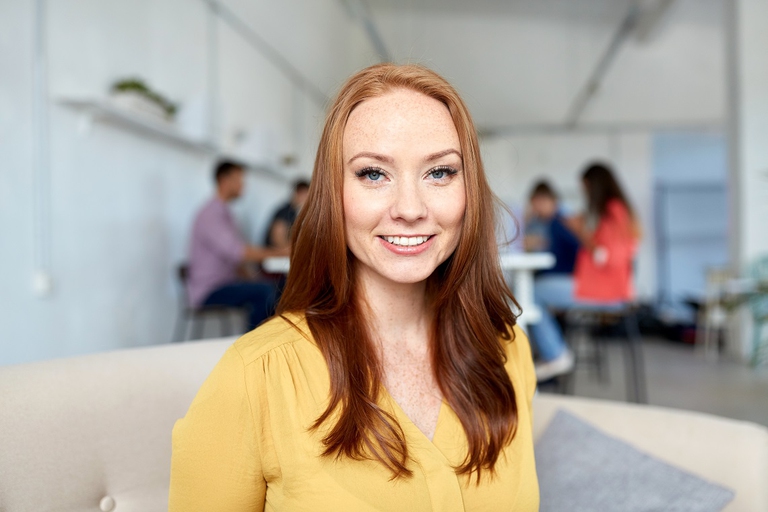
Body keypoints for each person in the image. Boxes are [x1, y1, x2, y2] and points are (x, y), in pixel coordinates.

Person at [170, 64, 539, 511]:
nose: (409, 208)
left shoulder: (509, 350)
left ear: (469, 192)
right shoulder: (254, 377)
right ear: (333, 193)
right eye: (372, 174)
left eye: (440, 172)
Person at [530, 162, 640, 381]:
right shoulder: (615, 211)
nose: (585, 194)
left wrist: (580, 231)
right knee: (534, 290)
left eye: (585, 189)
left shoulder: (614, 211)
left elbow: (605, 256)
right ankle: (554, 353)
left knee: (533, 292)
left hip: (605, 291)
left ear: (593, 185)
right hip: (599, 287)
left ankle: (555, 354)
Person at [187, 160, 289, 330]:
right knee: (266, 291)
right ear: (224, 180)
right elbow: (238, 252)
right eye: (239, 179)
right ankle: (252, 348)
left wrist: (251, 276)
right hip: (210, 290)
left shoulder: (224, 213)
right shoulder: (211, 215)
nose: (243, 185)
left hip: (224, 283)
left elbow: (234, 259)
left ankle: (267, 343)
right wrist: (281, 253)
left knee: (276, 287)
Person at [524, 180, 580, 275]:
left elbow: (571, 250)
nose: (539, 206)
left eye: (543, 201)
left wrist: (542, 242)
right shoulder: (533, 223)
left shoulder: (562, 223)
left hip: (560, 273)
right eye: (536, 202)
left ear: (554, 201)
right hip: (541, 273)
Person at [264, 179, 310, 248]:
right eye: (306, 195)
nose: (307, 199)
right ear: (298, 193)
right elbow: (277, 240)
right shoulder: (285, 212)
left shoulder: (295, 213)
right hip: (272, 255)